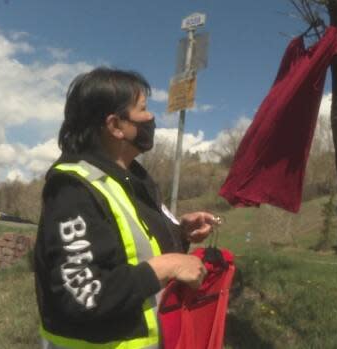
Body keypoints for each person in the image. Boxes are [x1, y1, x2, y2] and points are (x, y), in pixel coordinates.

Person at [34, 67, 217, 349]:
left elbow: (128, 245)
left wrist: (180, 233)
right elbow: (82, 294)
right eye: (143, 109)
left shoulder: (133, 179)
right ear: (115, 126)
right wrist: (167, 266)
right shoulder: (73, 188)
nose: (151, 117)